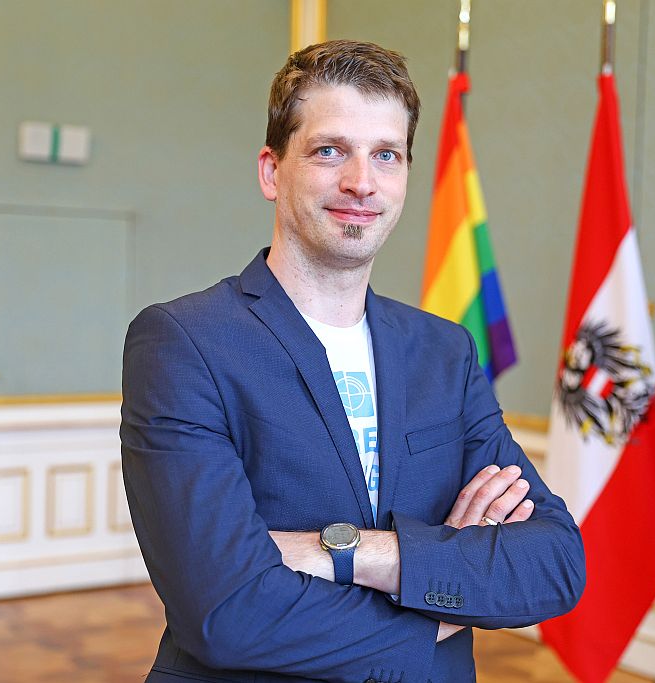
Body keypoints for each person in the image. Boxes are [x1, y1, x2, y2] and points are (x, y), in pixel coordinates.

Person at [121, 40, 585, 683]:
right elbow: (228, 611)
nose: (361, 182)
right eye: (329, 151)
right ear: (271, 171)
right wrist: (444, 593)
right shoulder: (184, 342)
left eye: (386, 155)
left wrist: (345, 553)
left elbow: (555, 564)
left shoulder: (444, 352)